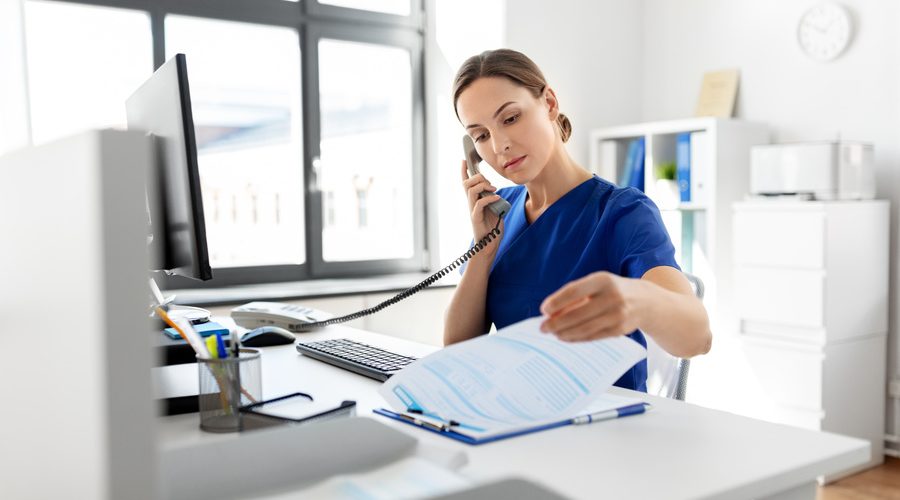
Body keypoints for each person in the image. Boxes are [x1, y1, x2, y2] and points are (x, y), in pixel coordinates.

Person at [443, 49, 711, 392]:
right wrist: (482, 251)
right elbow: (457, 352)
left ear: (550, 103)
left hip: (604, 427)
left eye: (510, 118)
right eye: (480, 135)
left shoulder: (622, 213)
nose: (500, 146)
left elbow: (697, 338)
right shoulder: (498, 214)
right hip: (521, 416)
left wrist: (637, 300)